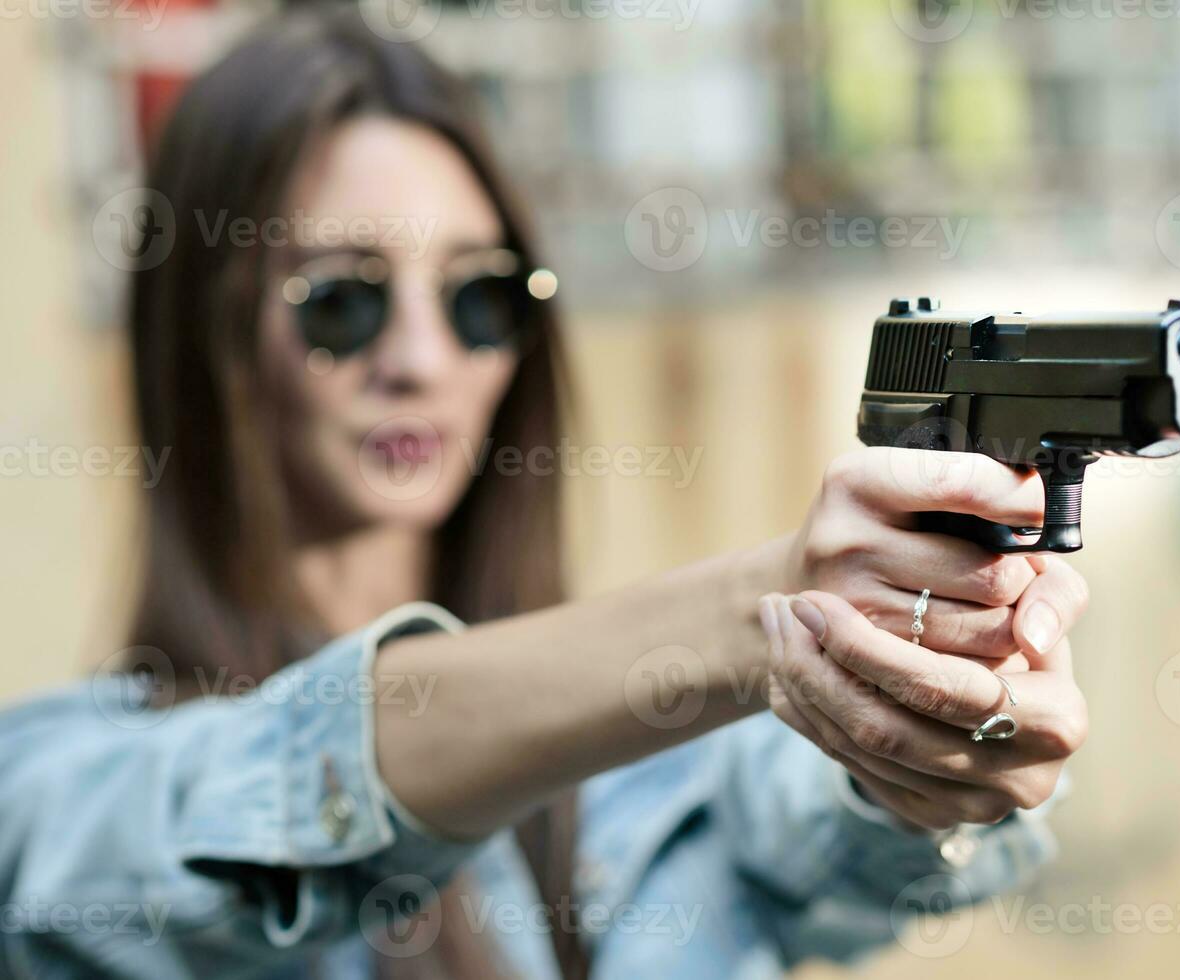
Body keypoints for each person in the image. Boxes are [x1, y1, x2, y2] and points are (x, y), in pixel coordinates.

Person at [0, 8, 1090, 978]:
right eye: (341, 300)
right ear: (207, 333)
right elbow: (284, 780)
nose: (423, 359)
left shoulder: (649, 756)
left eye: (480, 296)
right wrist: (778, 605)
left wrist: (918, 744)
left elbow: (842, 844)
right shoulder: (61, 792)